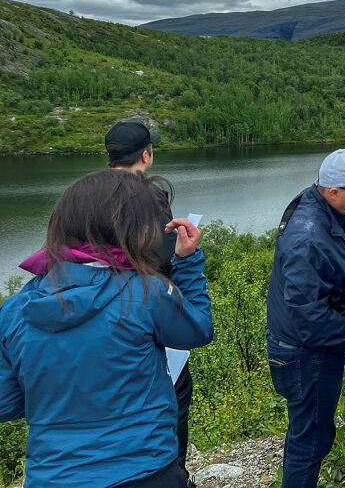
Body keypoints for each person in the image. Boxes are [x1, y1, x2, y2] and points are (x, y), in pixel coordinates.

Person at [0, 170, 213, 488]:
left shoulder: (14, 310)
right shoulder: (143, 292)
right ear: (131, 231)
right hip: (145, 469)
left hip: (52, 477)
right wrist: (188, 261)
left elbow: (6, 403)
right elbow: (198, 330)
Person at [265, 148, 345, 488]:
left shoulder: (333, 206)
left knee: (311, 433)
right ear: (333, 190)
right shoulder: (306, 240)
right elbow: (309, 316)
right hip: (305, 353)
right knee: (310, 441)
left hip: (313, 347)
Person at [105, 117, 196, 482]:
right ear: (146, 154)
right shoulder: (150, 195)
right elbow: (160, 256)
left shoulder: (89, 194)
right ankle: (172, 475)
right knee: (174, 396)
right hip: (146, 311)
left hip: (102, 311)